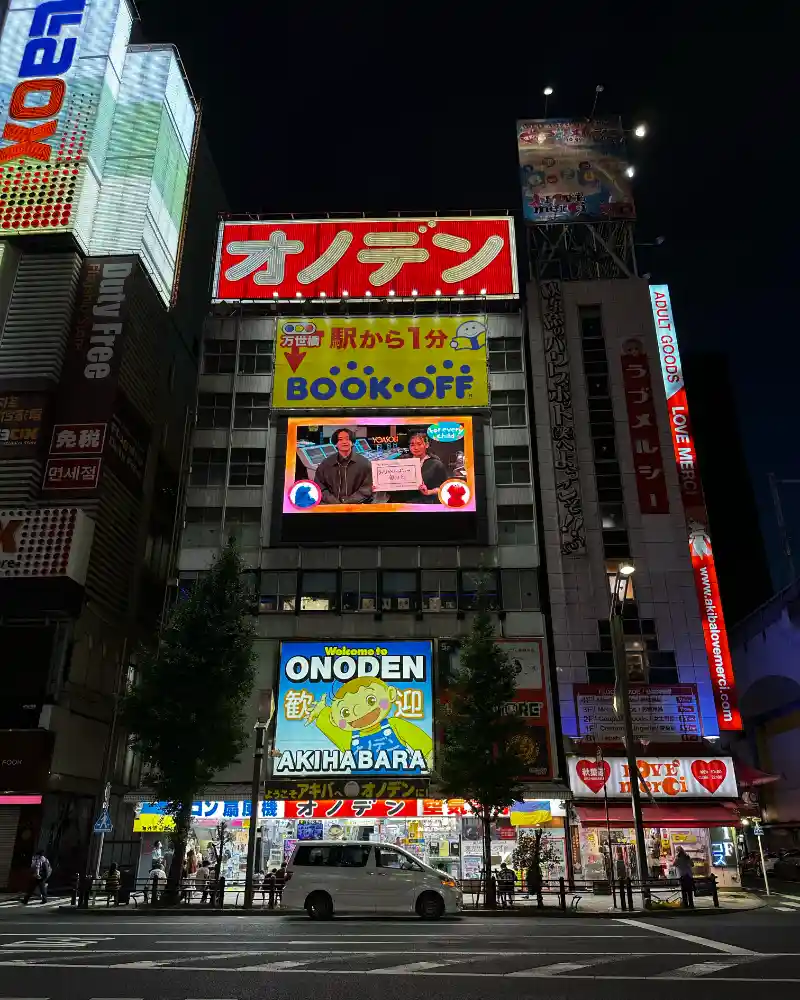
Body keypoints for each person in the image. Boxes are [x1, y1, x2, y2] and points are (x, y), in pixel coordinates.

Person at [314, 428, 372, 504]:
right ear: (335, 444)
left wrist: (349, 502)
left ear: (353, 442)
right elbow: (319, 486)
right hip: (331, 506)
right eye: (340, 439)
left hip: (356, 506)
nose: (344, 442)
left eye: (347, 439)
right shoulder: (326, 463)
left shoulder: (364, 463)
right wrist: (333, 501)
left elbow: (367, 488)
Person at [407, 433, 448, 503]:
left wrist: (429, 492)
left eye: (419, 444)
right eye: (412, 445)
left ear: (426, 445)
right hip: (403, 504)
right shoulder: (403, 462)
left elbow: (444, 488)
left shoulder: (436, 464)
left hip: (425, 503)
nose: (416, 448)